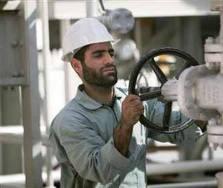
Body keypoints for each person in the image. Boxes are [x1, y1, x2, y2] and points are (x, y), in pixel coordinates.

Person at [49, 17, 202, 188]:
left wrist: (205, 107)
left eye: (110, 53)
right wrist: (126, 124)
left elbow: (177, 129)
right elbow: (100, 171)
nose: (108, 60)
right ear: (77, 65)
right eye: (98, 55)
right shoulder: (70, 120)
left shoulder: (133, 97)